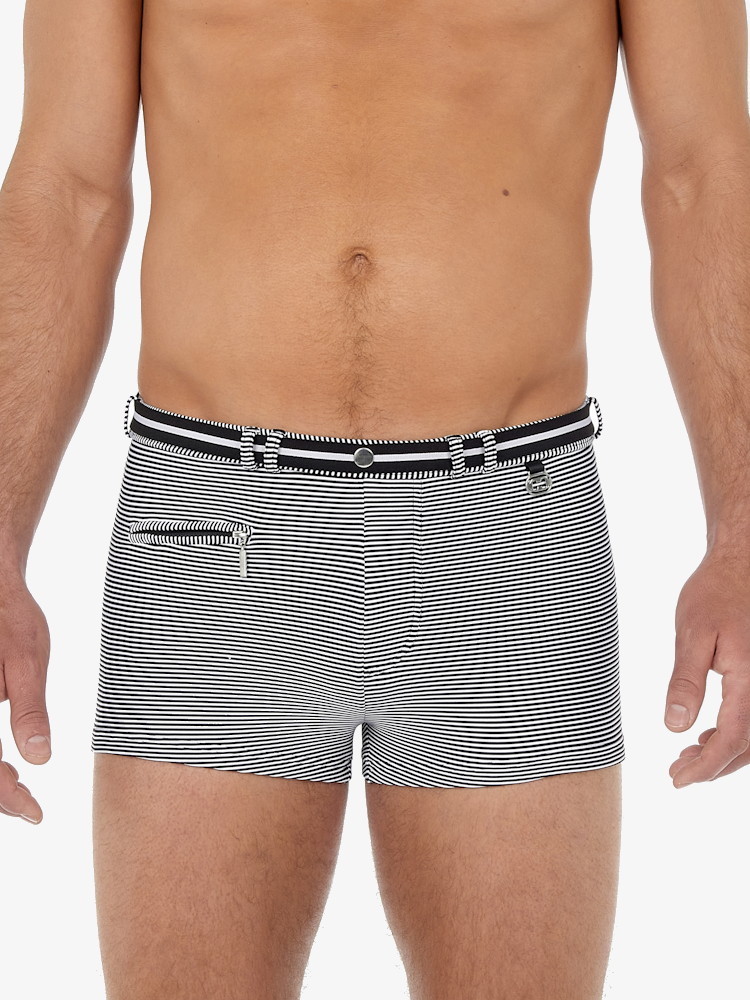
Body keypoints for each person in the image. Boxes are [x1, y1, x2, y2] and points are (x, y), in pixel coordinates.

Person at [1, 0, 749, 997]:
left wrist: (743, 527)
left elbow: (702, 173)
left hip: (507, 535)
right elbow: (68, 190)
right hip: (213, 528)